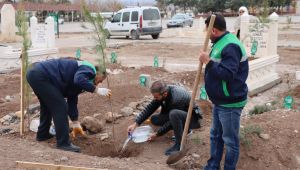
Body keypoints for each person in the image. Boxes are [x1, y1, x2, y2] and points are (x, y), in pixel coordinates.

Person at [26, 58, 111, 153]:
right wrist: (96, 90)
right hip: (41, 74)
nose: (100, 83)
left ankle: (43, 134)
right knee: (60, 107)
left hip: (35, 73)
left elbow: (72, 98)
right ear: (98, 73)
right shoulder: (89, 69)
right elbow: (78, 80)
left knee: (47, 105)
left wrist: (75, 122)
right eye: (101, 79)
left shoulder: (81, 78)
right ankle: (63, 143)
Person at [199, 14, 249, 170]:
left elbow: (228, 74)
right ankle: (213, 166)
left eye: (206, 30)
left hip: (230, 103)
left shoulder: (231, 46)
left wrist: (208, 62)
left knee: (230, 141)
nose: (205, 33)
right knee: (215, 137)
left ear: (213, 30)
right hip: (220, 101)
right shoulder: (220, 42)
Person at [127, 81, 202, 156]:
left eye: (156, 97)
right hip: (181, 114)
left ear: (165, 94)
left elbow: (171, 122)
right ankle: (181, 130)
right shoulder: (163, 92)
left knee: (174, 114)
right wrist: (136, 123)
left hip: (193, 119)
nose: (154, 99)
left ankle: (179, 144)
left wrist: (157, 134)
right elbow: (150, 108)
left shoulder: (177, 98)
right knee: (155, 119)